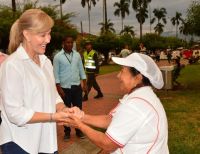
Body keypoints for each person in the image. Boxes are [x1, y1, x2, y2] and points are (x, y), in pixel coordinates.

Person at [65, 53, 169, 154]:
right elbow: (111, 120)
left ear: (138, 78)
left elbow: (108, 144)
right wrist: (81, 117)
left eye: (122, 71)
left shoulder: (136, 105)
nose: (118, 76)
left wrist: (79, 125)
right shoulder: (139, 96)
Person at [0, 9, 69, 154]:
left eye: (49, 33)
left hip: (46, 142)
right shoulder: (13, 65)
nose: (48, 39)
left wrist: (63, 109)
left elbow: (53, 96)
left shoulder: (46, 62)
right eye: (42, 35)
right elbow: (15, 113)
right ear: (26, 34)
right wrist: (53, 117)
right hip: (20, 144)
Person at [53, 35, 87, 140]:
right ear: (63, 43)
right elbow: (56, 74)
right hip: (65, 88)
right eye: (68, 42)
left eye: (71, 42)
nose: (70, 44)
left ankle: (79, 131)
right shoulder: (58, 57)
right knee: (65, 112)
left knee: (78, 110)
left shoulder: (77, 55)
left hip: (77, 87)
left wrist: (84, 84)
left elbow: (81, 70)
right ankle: (67, 132)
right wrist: (59, 89)